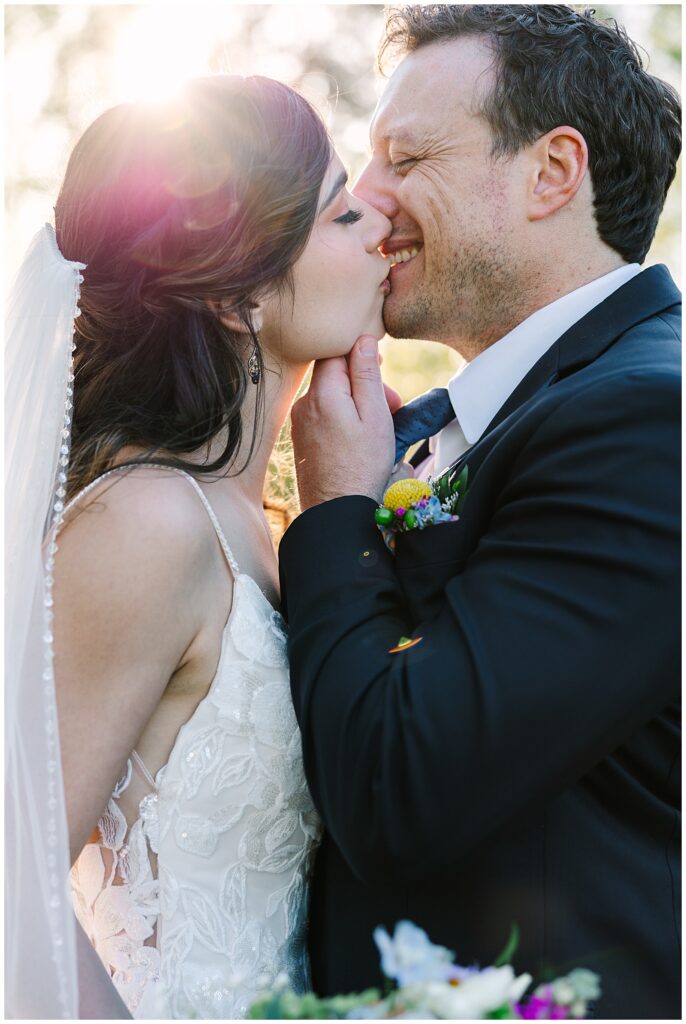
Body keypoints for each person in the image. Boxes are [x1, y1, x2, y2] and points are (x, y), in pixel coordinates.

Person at [278, 5, 681, 1019]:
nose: (366, 201)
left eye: (405, 157)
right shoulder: (456, 422)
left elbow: (401, 786)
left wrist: (334, 512)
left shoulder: (647, 420)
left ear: (551, 173)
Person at [5, 74, 394, 1019]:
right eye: (341, 215)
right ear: (242, 297)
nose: (380, 230)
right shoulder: (145, 527)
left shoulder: (252, 519)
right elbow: (13, 902)